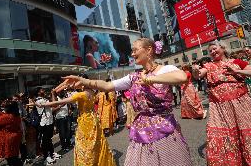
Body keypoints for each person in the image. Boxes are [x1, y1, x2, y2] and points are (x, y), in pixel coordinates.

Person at [60, 38, 192, 165]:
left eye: (135, 50)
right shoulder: (133, 77)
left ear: (149, 50)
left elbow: (181, 77)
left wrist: (151, 80)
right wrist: (84, 81)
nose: (132, 53)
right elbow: (108, 86)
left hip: (165, 131)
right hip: (141, 134)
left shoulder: (165, 69)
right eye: (132, 50)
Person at [192, 41, 251, 165]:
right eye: (210, 50)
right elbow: (198, 75)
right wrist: (196, 70)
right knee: (221, 136)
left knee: (247, 133)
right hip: (219, 107)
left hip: (241, 104)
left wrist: (237, 72)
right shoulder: (208, 66)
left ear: (223, 48)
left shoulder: (236, 62)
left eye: (214, 48)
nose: (212, 52)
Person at [28, 77, 116, 166]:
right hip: (93, 119)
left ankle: (88, 163)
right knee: (96, 142)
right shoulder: (93, 93)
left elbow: (59, 102)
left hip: (85, 121)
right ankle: (97, 161)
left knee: (84, 145)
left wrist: (42, 104)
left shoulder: (81, 95)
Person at [0, 101, 22, 166]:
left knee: (10, 158)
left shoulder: (8, 117)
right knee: (14, 157)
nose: (4, 109)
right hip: (15, 138)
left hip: (9, 139)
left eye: (5, 107)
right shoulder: (16, 115)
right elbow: (3, 116)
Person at [34, 87, 61, 165]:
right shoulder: (39, 100)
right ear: (38, 93)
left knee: (49, 139)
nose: (44, 90)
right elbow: (54, 104)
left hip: (49, 122)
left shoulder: (44, 99)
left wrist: (53, 95)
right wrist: (52, 94)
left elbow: (52, 107)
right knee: (45, 141)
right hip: (44, 123)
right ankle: (46, 156)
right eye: (42, 90)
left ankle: (52, 153)